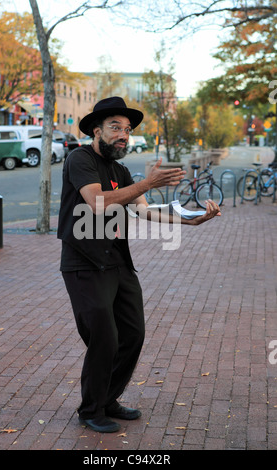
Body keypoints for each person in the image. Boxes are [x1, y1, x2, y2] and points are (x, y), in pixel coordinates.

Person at [57, 96, 221, 433]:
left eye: (127, 130)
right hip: (84, 263)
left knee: (132, 335)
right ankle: (91, 410)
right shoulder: (80, 159)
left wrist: (190, 222)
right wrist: (146, 183)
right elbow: (97, 202)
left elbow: (143, 210)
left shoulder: (121, 171)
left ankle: (108, 398)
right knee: (104, 338)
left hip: (118, 261)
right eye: (115, 127)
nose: (123, 135)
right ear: (96, 130)